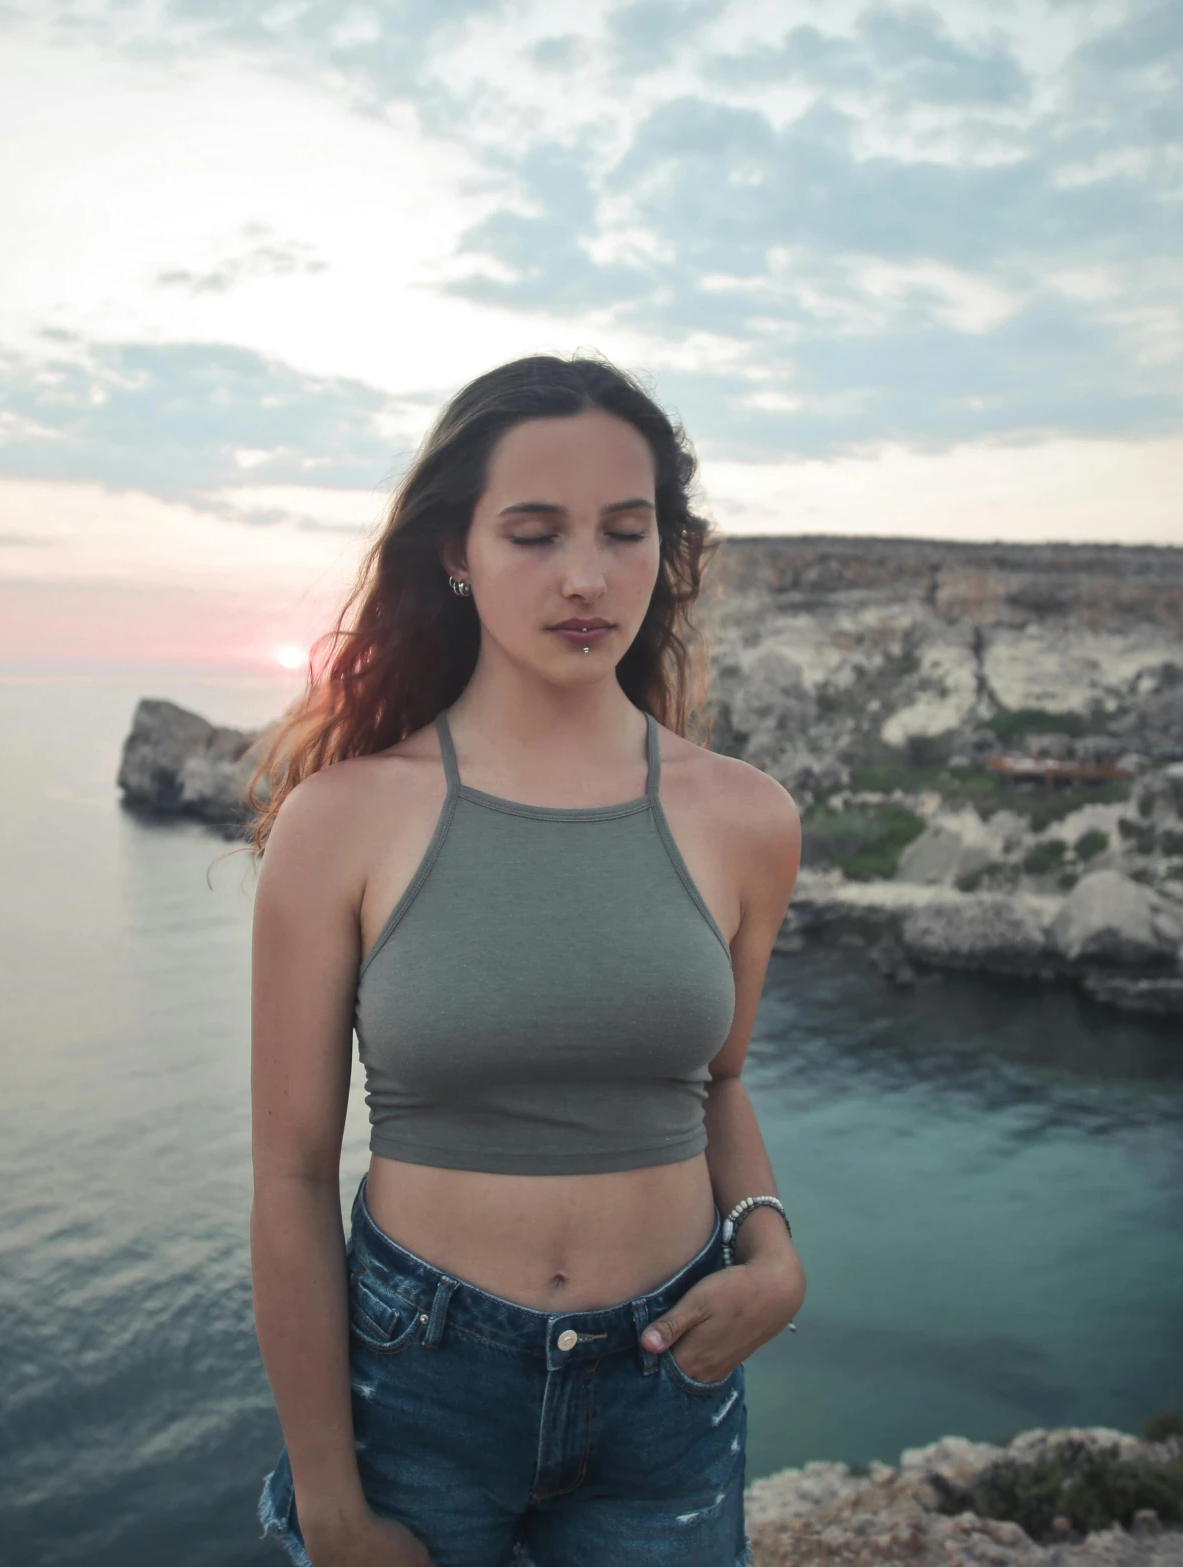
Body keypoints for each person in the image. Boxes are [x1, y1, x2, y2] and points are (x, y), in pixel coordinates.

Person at [241, 354, 804, 1567]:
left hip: (671, 1386)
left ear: (668, 551)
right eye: (534, 533)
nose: (586, 577)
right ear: (457, 549)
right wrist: (330, 1500)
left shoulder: (747, 818)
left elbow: (716, 1082)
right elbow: (288, 1178)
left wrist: (772, 1254)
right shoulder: (341, 822)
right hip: (419, 1392)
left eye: (623, 530)